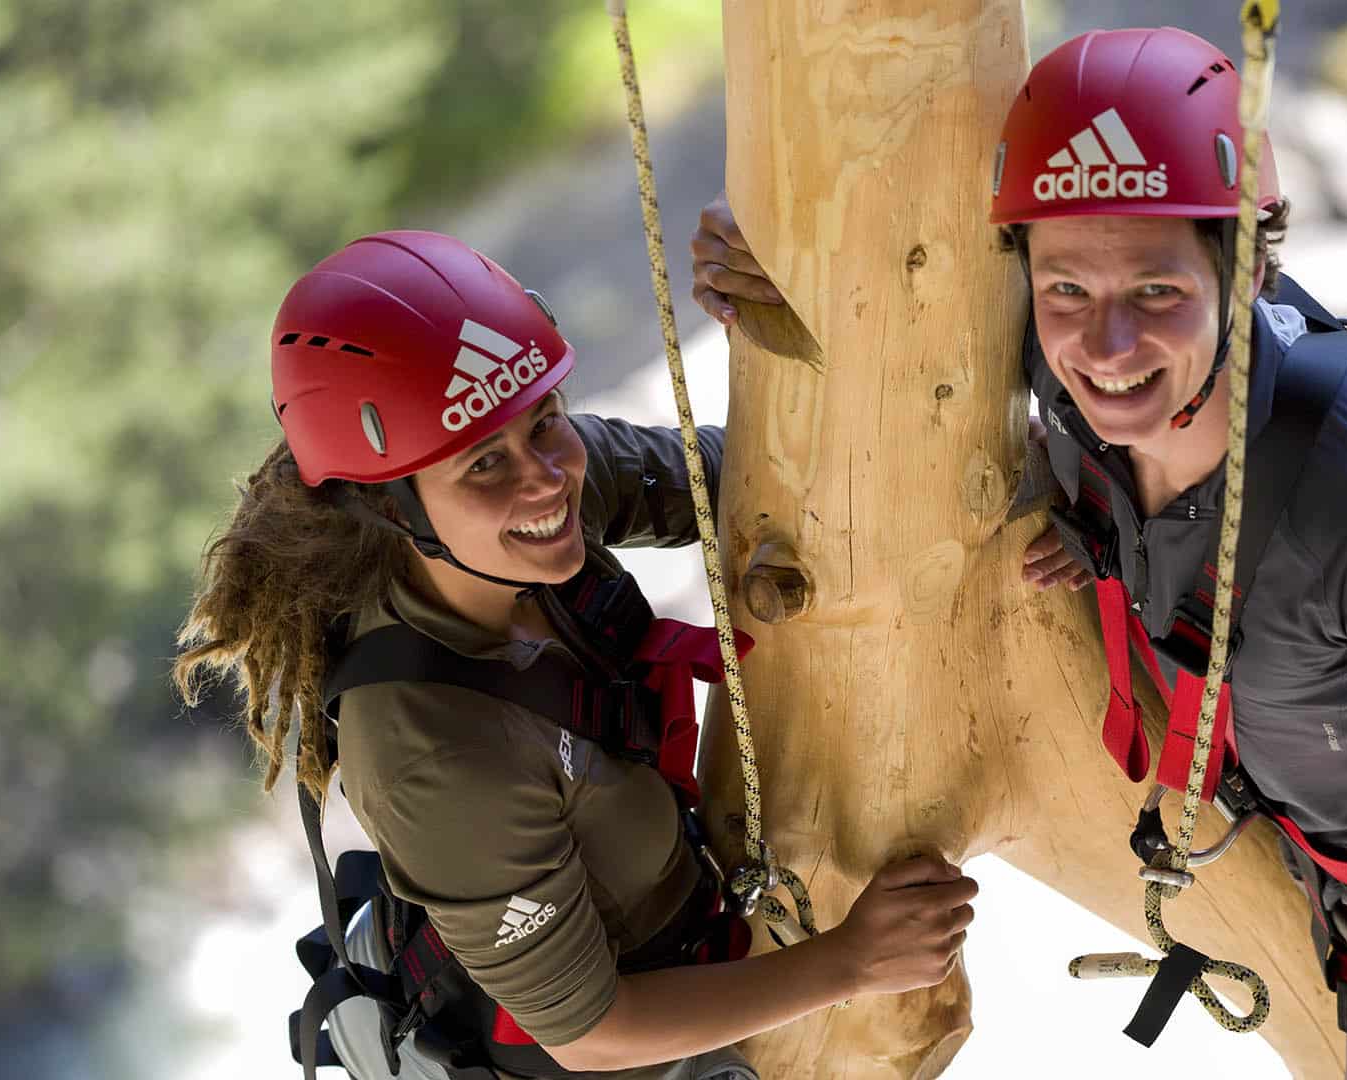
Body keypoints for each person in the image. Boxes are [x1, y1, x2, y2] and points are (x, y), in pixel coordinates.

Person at [690, 27, 1347, 1080]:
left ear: (1250, 267)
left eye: (1156, 293)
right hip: (1271, 791)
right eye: (1067, 293)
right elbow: (904, 301)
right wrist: (779, 257)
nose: (1105, 348)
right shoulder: (1053, 356)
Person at [174, 230, 978, 1080]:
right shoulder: (431, 752)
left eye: (546, 422)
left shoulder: (537, 493)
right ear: (394, 509)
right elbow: (592, 1033)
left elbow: (753, 486)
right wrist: (849, 964)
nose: (545, 479)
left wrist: (788, 288)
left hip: (699, 906)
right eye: (485, 464)